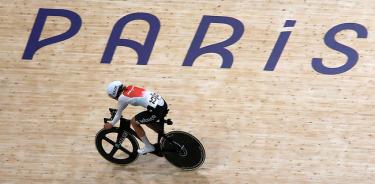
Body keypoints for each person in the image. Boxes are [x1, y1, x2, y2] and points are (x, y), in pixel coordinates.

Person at [103, 81, 168, 155]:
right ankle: (165, 137)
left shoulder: (122, 98)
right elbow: (124, 105)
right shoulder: (130, 88)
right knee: (146, 121)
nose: (113, 98)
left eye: (112, 96)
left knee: (134, 122)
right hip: (162, 103)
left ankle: (148, 146)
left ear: (114, 92)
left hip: (156, 110)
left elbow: (118, 113)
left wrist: (111, 124)